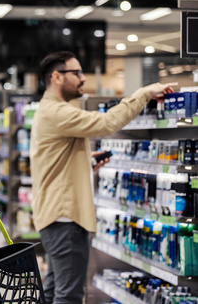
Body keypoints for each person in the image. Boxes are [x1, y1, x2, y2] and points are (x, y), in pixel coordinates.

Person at [30, 51, 177, 304]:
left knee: (55, 291)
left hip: (55, 216)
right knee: (69, 296)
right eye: (76, 73)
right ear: (56, 77)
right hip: (66, 219)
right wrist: (144, 93)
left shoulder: (49, 111)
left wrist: (85, 164)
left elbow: (54, 164)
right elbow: (108, 123)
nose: (83, 78)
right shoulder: (57, 112)